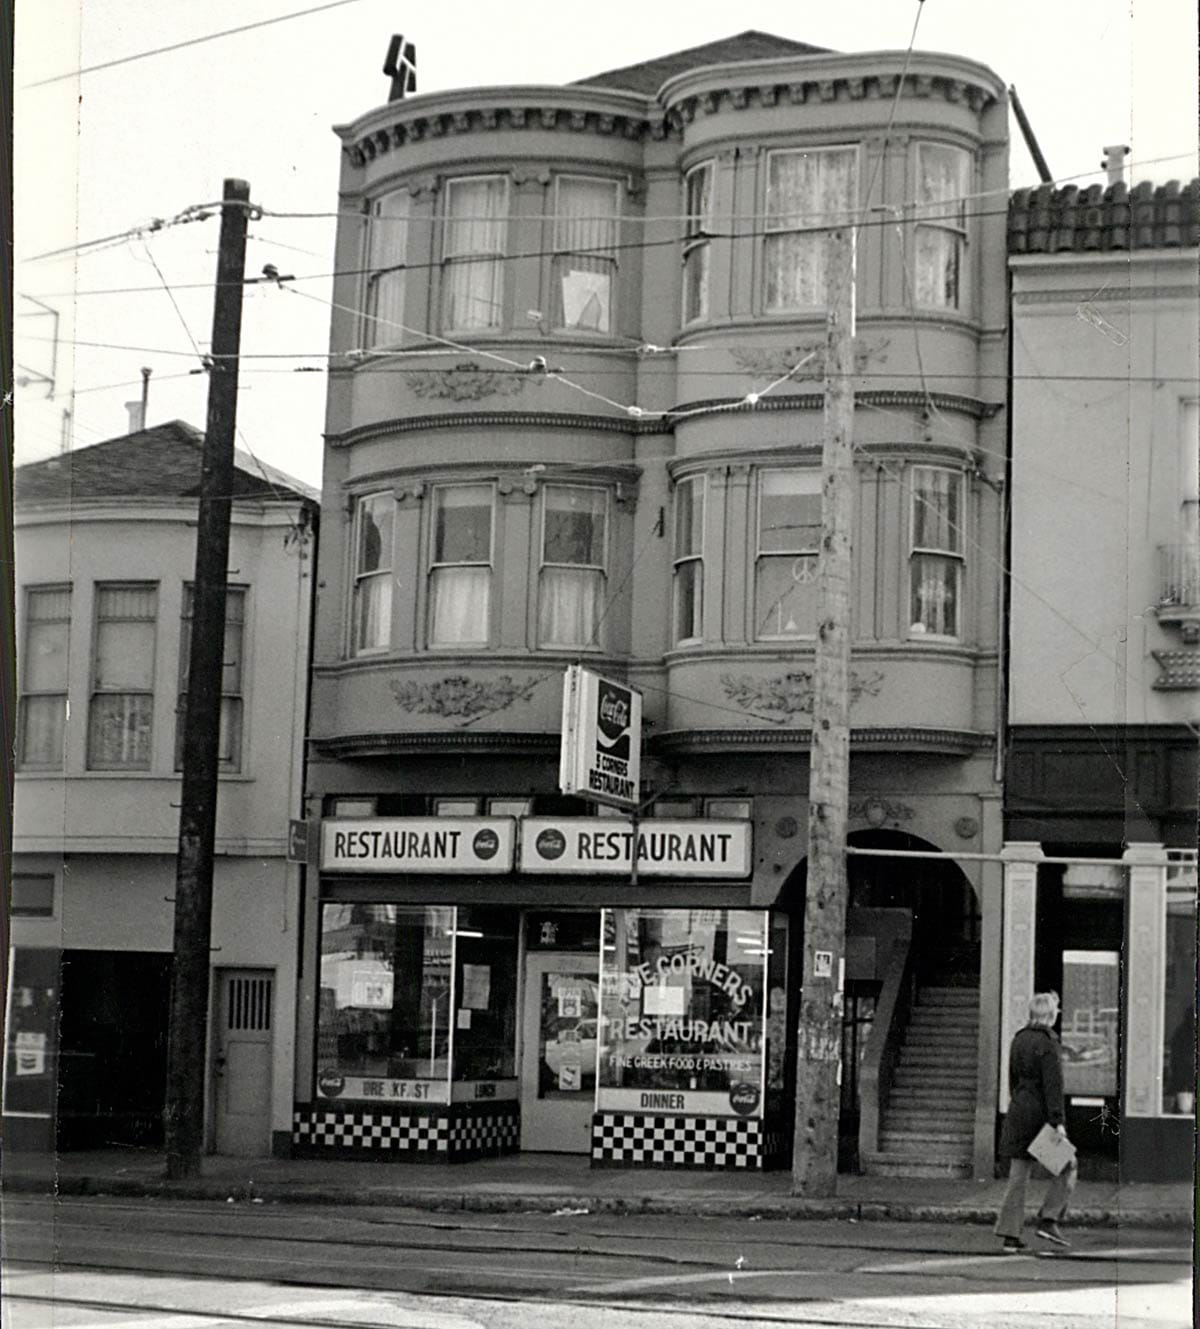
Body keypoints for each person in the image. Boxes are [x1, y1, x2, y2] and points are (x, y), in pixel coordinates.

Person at [995, 991, 1077, 1251]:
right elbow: (1053, 1085)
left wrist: (1018, 1103)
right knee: (1068, 1165)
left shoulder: (1018, 1040)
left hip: (1018, 1113)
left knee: (1018, 1176)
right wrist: (1058, 1122)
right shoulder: (1049, 1042)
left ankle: (1010, 1236)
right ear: (1050, 1015)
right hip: (1040, 1118)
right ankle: (1048, 1219)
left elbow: (1012, 1079)